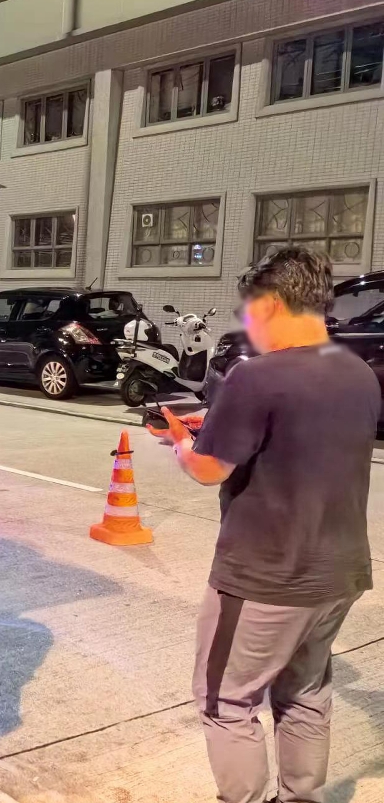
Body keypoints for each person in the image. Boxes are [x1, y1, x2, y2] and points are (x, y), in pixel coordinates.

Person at [148, 246, 376, 803]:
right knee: (306, 694)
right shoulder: (359, 373)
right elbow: (298, 434)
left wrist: (180, 442)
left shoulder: (257, 377)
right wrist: (221, 423)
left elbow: (209, 469)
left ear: (271, 304)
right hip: (340, 572)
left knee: (227, 701)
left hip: (266, 576)